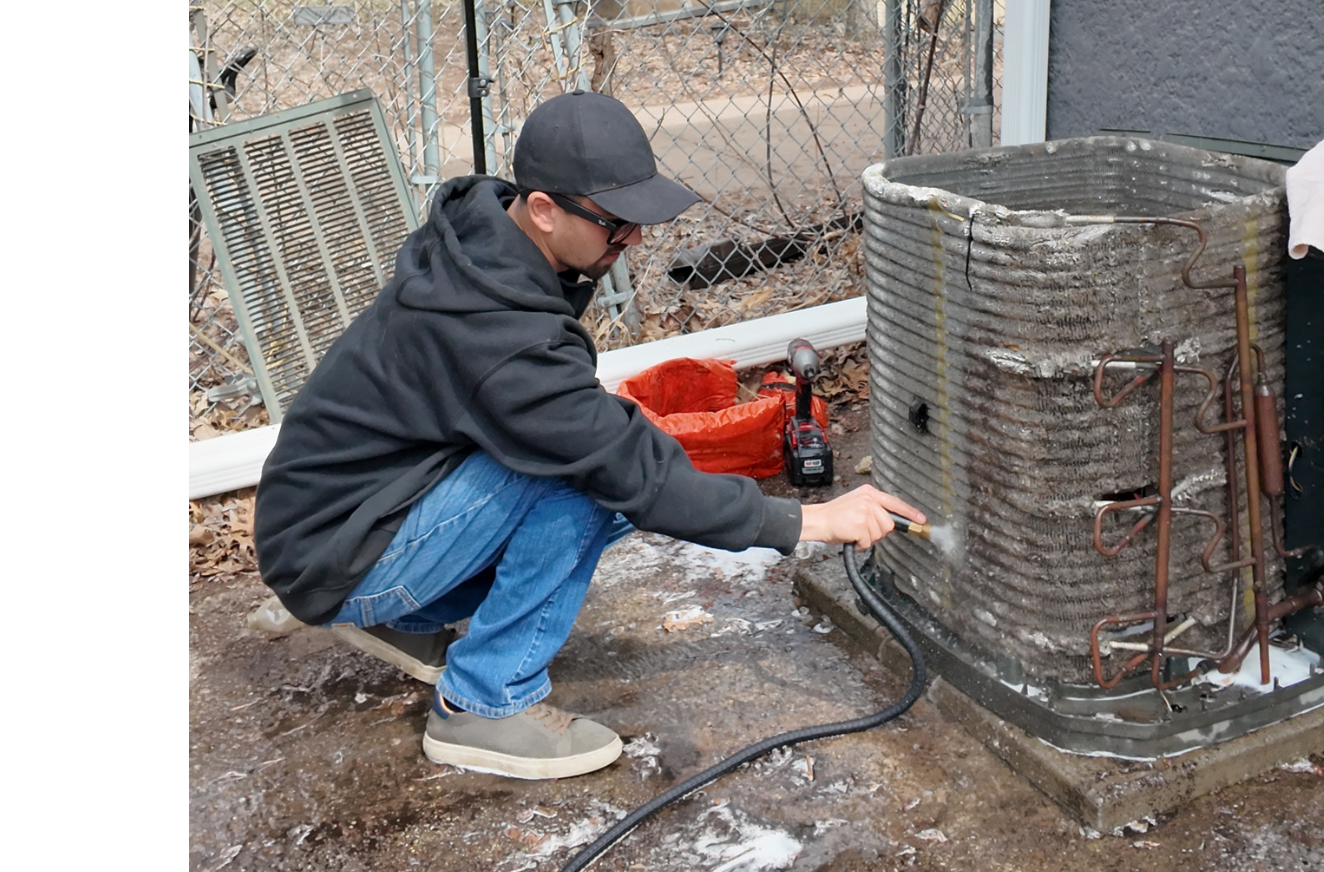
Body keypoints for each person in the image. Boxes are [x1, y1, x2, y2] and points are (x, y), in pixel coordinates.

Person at [253, 91, 923, 780]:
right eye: (617, 224)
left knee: (598, 446)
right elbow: (629, 471)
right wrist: (808, 520)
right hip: (337, 551)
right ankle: (484, 703)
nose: (634, 239)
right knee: (588, 482)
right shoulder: (498, 331)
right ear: (542, 209)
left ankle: (410, 614)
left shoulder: (480, 249)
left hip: (336, 517)